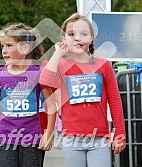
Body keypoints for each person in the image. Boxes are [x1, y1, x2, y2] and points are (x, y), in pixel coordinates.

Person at [39, 13, 126, 167]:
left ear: (91, 38)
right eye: (71, 34)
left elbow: (114, 100)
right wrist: (58, 52)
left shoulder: (103, 64)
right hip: (71, 138)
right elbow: (44, 81)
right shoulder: (61, 65)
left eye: (83, 34)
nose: (77, 38)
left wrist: (120, 132)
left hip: (99, 138)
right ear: (64, 38)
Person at [0, 23, 57, 167]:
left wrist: (48, 134)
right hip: (5, 137)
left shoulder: (39, 73)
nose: (4, 50)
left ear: (25, 48)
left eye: (9, 46)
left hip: (32, 138)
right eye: (2, 46)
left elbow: (52, 106)